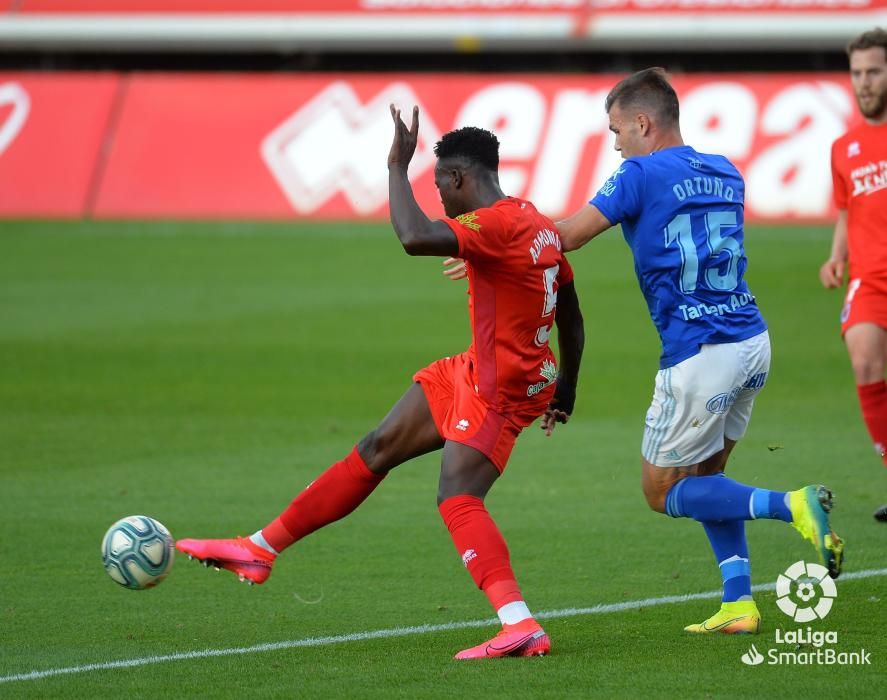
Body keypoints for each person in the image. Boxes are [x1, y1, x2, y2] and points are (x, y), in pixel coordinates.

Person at [176, 106, 585, 660]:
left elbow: (413, 237)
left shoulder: (493, 226)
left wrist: (396, 164)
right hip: (480, 369)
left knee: (458, 496)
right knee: (377, 446)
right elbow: (571, 311)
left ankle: (520, 624)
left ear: (459, 178)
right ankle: (259, 549)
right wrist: (567, 386)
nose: (439, 196)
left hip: (500, 387)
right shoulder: (533, 222)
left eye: (440, 184)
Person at [449, 67, 843, 635]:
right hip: (751, 340)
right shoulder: (726, 171)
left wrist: (489, 247)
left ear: (642, 122)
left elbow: (567, 234)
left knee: (664, 491)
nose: (614, 144)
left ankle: (793, 504)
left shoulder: (636, 173)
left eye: (616, 130)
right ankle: (739, 602)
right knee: (709, 473)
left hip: (698, 352)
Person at [820, 28, 887, 523]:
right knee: (864, 360)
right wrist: (835, 256)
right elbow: (846, 209)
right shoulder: (843, 148)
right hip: (870, 278)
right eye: (858, 73)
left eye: (874, 72)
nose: (864, 82)